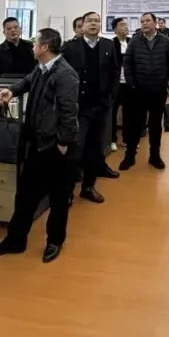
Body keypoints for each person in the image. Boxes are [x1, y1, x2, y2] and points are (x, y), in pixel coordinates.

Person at [0, 28, 78, 264]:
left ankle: (54, 241)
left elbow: (69, 112)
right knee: (26, 194)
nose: (33, 46)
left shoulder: (65, 74)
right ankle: (15, 240)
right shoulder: (42, 67)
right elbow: (28, 80)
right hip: (36, 142)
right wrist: (12, 90)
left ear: (45, 47)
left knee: (58, 197)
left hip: (55, 145)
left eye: (36, 43)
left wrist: (64, 142)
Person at [62, 11, 120, 204]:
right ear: (83, 25)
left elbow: (115, 71)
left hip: (100, 106)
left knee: (95, 148)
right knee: (75, 150)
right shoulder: (70, 47)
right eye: (89, 21)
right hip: (79, 107)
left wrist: (110, 96)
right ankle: (67, 192)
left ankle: (88, 187)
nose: (93, 24)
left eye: (97, 21)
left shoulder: (108, 45)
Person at [120, 12, 169, 171]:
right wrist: (131, 83)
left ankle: (155, 156)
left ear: (155, 23)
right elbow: (127, 63)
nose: (144, 23)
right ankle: (130, 156)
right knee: (135, 124)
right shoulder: (135, 41)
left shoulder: (165, 41)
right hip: (138, 90)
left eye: (147, 21)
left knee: (155, 125)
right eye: (142, 21)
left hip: (158, 90)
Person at [106, 17, 130, 152]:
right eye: (122, 25)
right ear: (115, 29)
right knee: (113, 113)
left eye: (126, 24)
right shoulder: (111, 44)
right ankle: (112, 139)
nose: (125, 27)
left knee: (129, 113)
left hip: (129, 84)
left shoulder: (132, 42)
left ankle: (127, 139)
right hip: (116, 84)